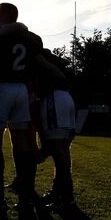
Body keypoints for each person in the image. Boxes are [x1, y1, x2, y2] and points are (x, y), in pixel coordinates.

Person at [0, 3, 45, 210]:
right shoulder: (30, 38)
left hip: (1, 88)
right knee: (22, 143)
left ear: (5, 16)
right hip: (21, 90)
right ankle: (26, 196)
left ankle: (0, 197)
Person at [36, 49, 78, 210]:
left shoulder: (44, 64)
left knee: (59, 152)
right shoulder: (59, 66)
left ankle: (65, 196)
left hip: (54, 101)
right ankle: (59, 192)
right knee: (63, 151)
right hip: (67, 99)